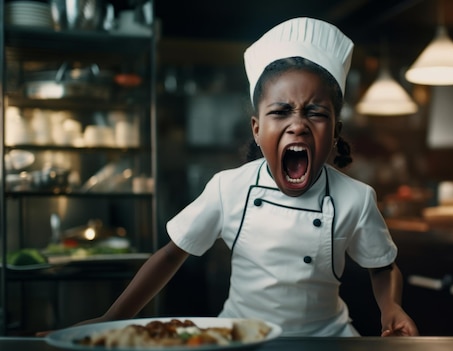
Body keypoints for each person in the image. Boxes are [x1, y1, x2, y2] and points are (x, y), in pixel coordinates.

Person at [53, 17, 418, 337]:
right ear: (257, 130)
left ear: (335, 130)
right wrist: (113, 317)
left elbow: (382, 266)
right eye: (281, 111)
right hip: (244, 336)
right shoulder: (229, 188)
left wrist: (391, 307)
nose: (298, 125)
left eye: (315, 113)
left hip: (327, 337)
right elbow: (170, 255)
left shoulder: (356, 197)